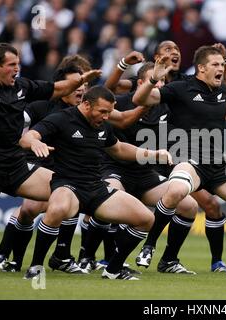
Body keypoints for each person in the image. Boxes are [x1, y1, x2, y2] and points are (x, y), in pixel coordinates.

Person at [133, 45, 226, 277]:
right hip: (189, 159)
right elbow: (141, 99)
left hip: (218, 164)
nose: (221, 69)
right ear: (201, 68)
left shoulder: (221, 91)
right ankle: (149, 246)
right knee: (177, 190)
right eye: (216, 65)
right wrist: (152, 80)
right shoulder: (181, 87)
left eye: (222, 64)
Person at [0, 43, 100, 269]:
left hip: (17, 164)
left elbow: (57, 88)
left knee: (68, 190)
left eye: (18, 64)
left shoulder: (22, 86)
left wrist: (80, 80)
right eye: (11, 65)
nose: (17, 69)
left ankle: (61, 257)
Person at [21, 85, 171, 280]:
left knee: (146, 219)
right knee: (57, 209)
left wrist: (152, 154)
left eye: (109, 112)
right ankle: (35, 267)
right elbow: (28, 137)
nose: (107, 116)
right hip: (68, 184)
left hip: (96, 187)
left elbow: (118, 149)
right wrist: (35, 142)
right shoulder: (62, 119)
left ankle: (113, 269)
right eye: (102, 111)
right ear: (86, 104)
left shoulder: (102, 124)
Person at [118, 41, 226, 273]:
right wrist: (126, 65)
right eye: (167, 50)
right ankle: (106, 258)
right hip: (147, 158)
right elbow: (112, 89)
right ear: (155, 58)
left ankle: (201, 261)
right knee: (126, 206)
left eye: (176, 50)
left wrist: (225, 60)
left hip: (176, 157)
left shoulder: (188, 82)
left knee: (208, 205)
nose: (174, 52)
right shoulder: (146, 81)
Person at [79, 62, 200, 274]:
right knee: (110, 200)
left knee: (189, 206)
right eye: (155, 80)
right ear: (141, 83)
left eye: (162, 80)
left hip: (144, 173)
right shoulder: (120, 103)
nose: (160, 85)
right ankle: (88, 257)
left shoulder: (166, 105)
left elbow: (192, 119)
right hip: (114, 168)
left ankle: (169, 260)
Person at [0, 64, 87, 273]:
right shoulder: (41, 107)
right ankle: (10, 257)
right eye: (75, 85)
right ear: (63, 86)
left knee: (72, 199)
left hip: (65, 170)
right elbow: (15, 126)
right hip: (34, 164)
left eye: (83, 85)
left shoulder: (86, 112)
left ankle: (63, 256)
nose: (80, 89)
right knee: (30, 209)